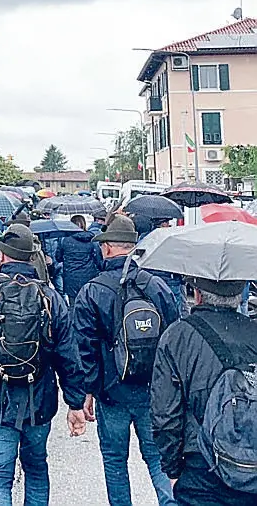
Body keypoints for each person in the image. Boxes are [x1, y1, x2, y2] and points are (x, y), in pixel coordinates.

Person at [0, 224, 87, 505]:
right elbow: (68, 355)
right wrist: (75, 403)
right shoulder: (51, 298)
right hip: (39, 399)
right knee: (36, 470)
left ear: (2, 254)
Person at [72, 215, 179, 506]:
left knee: (116, 462)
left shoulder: (92, 291)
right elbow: (174, 337)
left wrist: (89, 391)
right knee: (159, 460)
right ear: (134, 248)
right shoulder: (157, 286)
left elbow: (86, 349)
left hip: (112, 392)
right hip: (152, 392)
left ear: (107, 248)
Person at [152, 276, 257, 505]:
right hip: (252, 462)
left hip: (201, 463)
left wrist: (172, 468)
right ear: (239, 295)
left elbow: (165, 414)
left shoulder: (177, 336)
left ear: (197, 294)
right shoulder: (254, 331)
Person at [56, 214, 102, 304]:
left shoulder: (65, 240)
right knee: (88, 303)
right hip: (89, 275)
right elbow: (98, 259)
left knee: (73, 304)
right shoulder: (92, 239)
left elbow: (58, 258)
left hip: (71, 276)